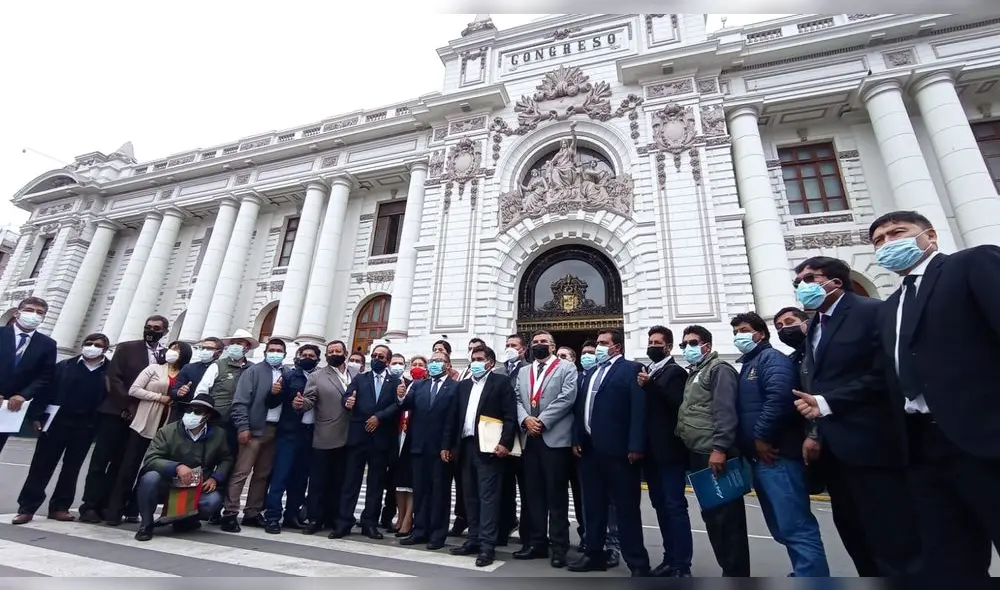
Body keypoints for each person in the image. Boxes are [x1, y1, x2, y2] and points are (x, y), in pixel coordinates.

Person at [809, 211, 1000, 576]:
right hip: (921, 447)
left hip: (984, 438)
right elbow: (886, 374)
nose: (887, 243)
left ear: (929, 236)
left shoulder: (971, 264)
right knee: (949, 559)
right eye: (878, 240)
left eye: (897, 233)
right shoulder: (891, 306)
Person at [789, 254, 919, 577]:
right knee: (855, 534)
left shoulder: (871, 311)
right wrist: (815, 431)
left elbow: (885, 372)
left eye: (809, 279)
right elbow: (816, 381)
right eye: (798, 282)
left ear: (835, 281)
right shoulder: (815, 326)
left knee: (892, 538)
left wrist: (828, 401)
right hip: (834, 451)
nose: (802, 287)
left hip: (872, 444)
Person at [730, 312, 829, 577]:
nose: (738, 335)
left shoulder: (770, 359)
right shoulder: (751, 363)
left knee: (796, 526)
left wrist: (761, 437)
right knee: (783, 527)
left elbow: (779, 398)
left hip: (777, 456)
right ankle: (803, 572)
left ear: (759, 334)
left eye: (743, 330)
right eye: (735, 331)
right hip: (760, 460)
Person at [569, 328, 651, 577]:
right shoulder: (590, 372)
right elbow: (579, 408)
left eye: (604, 343)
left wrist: (636, 445)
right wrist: (576, 438)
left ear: (617, 347)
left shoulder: (631, 369)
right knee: (592, 507)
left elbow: (638, 411)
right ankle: (594, 554)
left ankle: (637, 563)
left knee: (626, 509)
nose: (599, 347)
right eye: (598, 342)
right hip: (590, 451)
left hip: (620, 454)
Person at [675, 325, 749, 577]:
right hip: (699, 452)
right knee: (713, 518)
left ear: (707, 344)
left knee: (727, 520)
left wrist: (720, 448)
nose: (687, 348)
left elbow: (725, 411)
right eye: (684, 345)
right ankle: (729, 570)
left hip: (714, 454)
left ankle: (736, 573)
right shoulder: (698, 370)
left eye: (692, 343)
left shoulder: (719, 369)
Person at [13, 333, 109, 524]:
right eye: (88, 343)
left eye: (97, 344)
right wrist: (36, 416)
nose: (91, 347)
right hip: (56, 422)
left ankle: (60, 507)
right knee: (41, 466)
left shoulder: (110, 371)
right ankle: (27, 507)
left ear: (105, 349)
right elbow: (45, 392)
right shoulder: (64, 366)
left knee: (72, 469)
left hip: (86, 426)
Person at [81, 314, 167, 523]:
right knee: (101, 460)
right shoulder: (127, 348)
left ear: (164, 331)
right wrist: (127, 405)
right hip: (117, 412)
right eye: (148, 326)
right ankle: (90, 506)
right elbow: (114, 378)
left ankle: (111, 506)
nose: (151, 330)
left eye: (156, 328)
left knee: (124, 463)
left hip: (143, 418)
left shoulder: (164, 355)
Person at [443, 345, 517, 568]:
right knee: (469, 497)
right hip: (465, 448)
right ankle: (473, 539)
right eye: (472, 358)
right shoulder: (463, 386)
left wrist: (505, 443)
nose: (474, 362)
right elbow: (453, 417)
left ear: (490, 363)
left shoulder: (501, 383)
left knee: (488, 498)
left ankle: (487, 546)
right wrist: (447, 445)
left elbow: (510, 415)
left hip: (489, 449)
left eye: (479, 359)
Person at [106, 340, 192, 526]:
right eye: (172, 348)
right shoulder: (154, 368)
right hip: (144, 423)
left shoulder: (185, 374)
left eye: (177, 349)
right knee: (129, 467)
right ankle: (114, 511)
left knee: (151, 470)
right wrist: (160, 397)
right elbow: (134, 390)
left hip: (166, 429)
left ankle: (134, 509)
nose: (173, 352)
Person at [513, 330, 578, 568]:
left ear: (552, 346)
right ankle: (536, 543)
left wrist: (541, 420)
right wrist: (526, 420)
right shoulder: (523, 371)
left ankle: (559, 547)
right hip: (529, 439)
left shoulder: (566, 368)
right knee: (533, 496)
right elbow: (517, 398)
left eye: (544, 342)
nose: (539, 345)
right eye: (536, 342)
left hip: (554, 438)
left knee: (557, 496)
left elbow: (567, 397)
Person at [134, 394, 234, 542]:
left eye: (198, 411)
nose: (192, 414)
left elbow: (227, 458)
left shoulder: (219, 435)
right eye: (190, 410)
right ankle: (146, 524)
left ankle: (184, 519)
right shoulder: (167, 431)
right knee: (149, 478)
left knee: (212, 501)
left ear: (207, 416)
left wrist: (215, 478)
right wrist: (177, 467)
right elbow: (151, 459)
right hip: (168, 482)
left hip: (196, 485)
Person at [636, 326, 693, 578]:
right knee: (660, 506)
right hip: (651, 454)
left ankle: (682, 563)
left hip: (670, 453)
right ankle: (670, 558)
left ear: (668, 347)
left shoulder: (675, 372)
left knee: (674, 507)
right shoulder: (650, 371)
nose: (652, 345)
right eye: (649, 341)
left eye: (657, 342)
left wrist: (651, 386)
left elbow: (676, 403)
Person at [330, 344, 401, 539]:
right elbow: (347, 396)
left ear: (388, 360)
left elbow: (398, 404)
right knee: (350, 482)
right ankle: (343, 522)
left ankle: (369, 523)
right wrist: (347, 401)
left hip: (380, 439)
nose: (377, 359)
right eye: (375, 355)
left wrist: (379, 417)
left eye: (381, 357)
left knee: (376, 484)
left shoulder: (395, 381)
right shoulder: (361, 379)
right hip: (358, 437)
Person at [224, 338, 287, 532]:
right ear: (266, 352)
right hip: (253, 429)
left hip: (274, 430)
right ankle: (230, 513)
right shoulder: (254, 371)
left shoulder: (287, 374)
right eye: (272, 349)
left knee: (262, 474)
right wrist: (243, 427)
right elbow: (240, 402)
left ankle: (252, 512)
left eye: (279, 350)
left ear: (284, 354)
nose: (275, 353)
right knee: (241, 472)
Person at [398, 350, 458, 550]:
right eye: (432, 360)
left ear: (448, 365)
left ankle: (437, 534)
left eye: (439, 361)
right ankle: (420, 530)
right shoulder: (419, 385)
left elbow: (453, 420)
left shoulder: (455, 388)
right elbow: (405, 405)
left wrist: (448, 446)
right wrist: (400, 395)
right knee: (421, 491)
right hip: (419, 447)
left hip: (442, 449)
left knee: (439, 493)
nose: (434, 363)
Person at [301, 340, 358, 535]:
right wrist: (300, 403)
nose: (334, 353)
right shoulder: (317, 376)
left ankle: (335, 517)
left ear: (346, 352)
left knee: (341, 481)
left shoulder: (356, 374)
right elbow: (309, 400)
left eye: (338, 350)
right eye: (330, 351)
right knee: (319, 480)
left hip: (351, 436)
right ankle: (315, 518)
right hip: (326, 435)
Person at [263, 343, 321, 534]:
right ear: (297, 356)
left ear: (317, 359)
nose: (307, 357)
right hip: (289, 432)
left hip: (310, 433)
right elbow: (272, 403)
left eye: (311, 355)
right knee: (281, 475)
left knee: (301, 478)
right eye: (304, 354)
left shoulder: (320, 377)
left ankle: (291, 515)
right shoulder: (288, 376)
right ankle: (272, 516)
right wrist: (274, 392)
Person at [0, 297, 56, 456]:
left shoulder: (48, 344)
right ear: (17, 313)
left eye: (40, 313)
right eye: (30, 310)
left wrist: (24, 395)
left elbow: (45, 375)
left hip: (11, 408)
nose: (34, 315)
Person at [168, 337, 224, 420]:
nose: (204, 351)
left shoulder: (223, 370)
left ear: (219, 352)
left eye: (209, 348)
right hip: (185, 413)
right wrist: (179, 392)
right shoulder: (189, 368)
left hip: (210, 416)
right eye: (203, 348)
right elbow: (173, 391)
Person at [388, 353, 413, 536]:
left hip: (413, 440)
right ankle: (398, 515)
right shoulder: (394, 384)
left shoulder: (415, 385)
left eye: (400, 363)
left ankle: (408, 519)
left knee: (410, 483)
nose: (397, 366)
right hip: (396, 438)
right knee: (397, 482)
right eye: (394, 363)